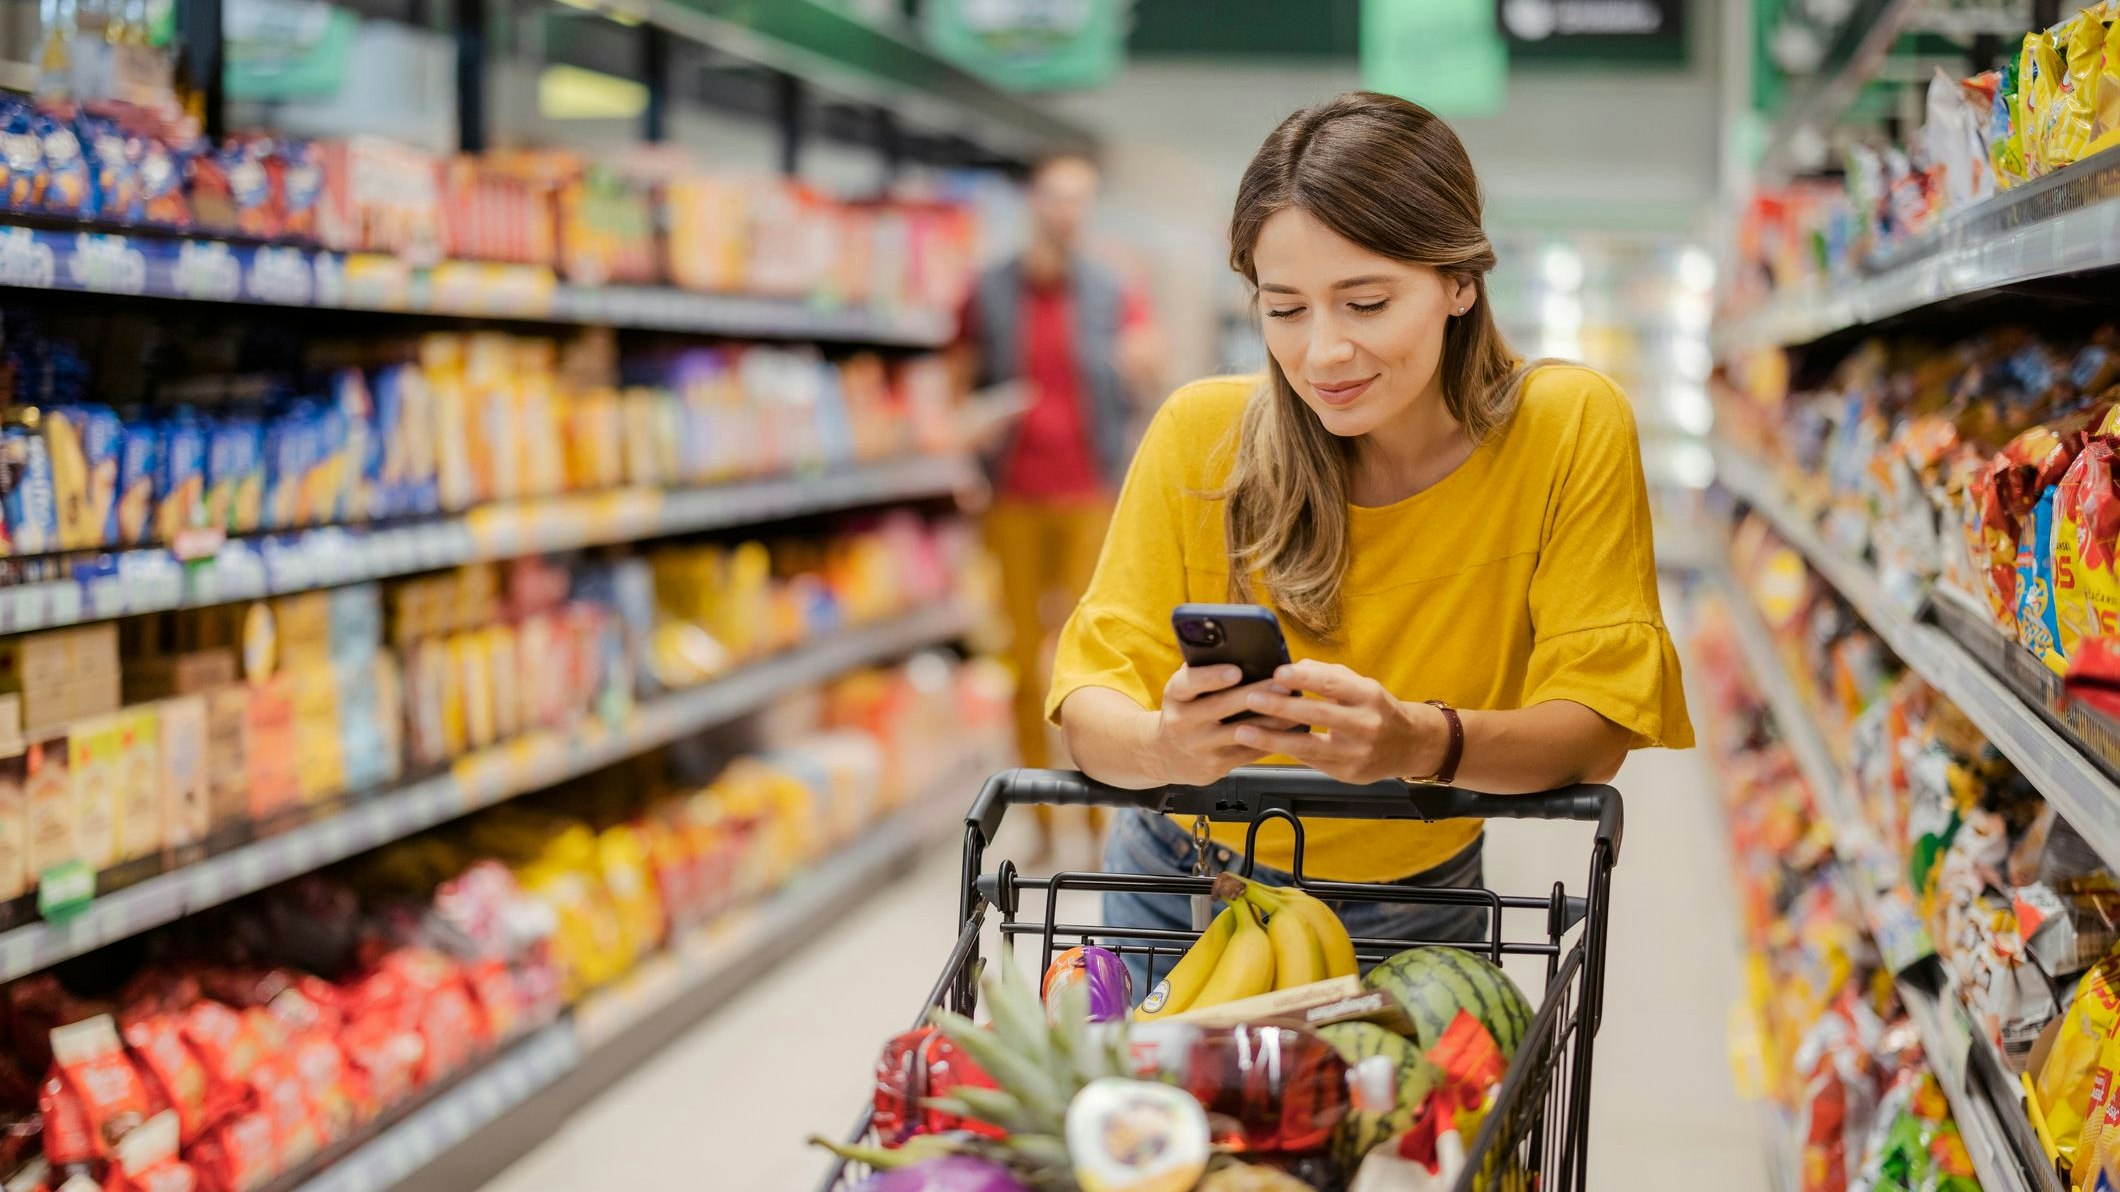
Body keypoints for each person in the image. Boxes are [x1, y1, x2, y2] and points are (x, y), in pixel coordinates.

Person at [1044, 92, 1693, 992]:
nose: (1323, 355)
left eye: (1366, 302)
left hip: (1414, 901)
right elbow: (1088, 704)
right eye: (1286, 310)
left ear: (1459, 281)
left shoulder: (1565, 428)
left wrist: (1414, 743)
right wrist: (1167, 748)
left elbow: (1595, 730)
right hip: (1178, 886)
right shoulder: (1202, 436)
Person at [957, 152, 1161, 860]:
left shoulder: (1112, 289)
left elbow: (1146, 368)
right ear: (1032, 204)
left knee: (1092, 663)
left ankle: (1101, 818)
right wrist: (968, 431)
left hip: (1089, 496)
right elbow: (958, 382)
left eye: (1079, 199)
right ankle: (1039, 818)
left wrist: (1143, 367)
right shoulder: (988, 290)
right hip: (1011, 495)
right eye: (1054, 198)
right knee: (1018, 658)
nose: (1065, 211)